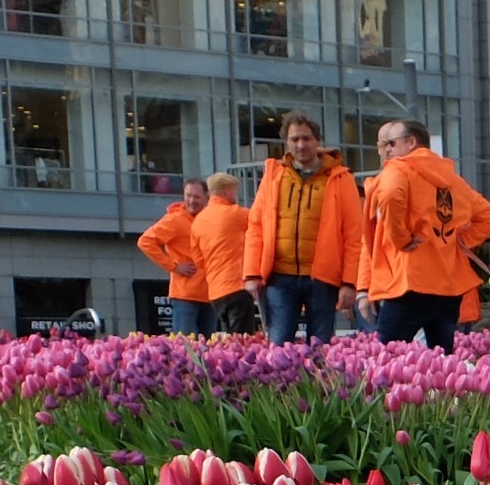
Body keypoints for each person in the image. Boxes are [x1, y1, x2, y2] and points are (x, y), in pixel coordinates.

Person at [356, 118, 490, 350]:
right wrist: (459, 241)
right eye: (381, 146)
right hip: (448, 288)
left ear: (411, 142)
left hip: (409, 283)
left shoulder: (398, 169)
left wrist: (401, 240)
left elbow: (388, 202)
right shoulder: (454, 181)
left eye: (390, 143)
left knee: (389, 358)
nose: (385, 152)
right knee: (440, 360)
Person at [242, 113, 364, 343]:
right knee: (279, 345)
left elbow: (353, 234)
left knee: (319, 348)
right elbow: (256, 225)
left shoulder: (340, 179)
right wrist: (252, 273)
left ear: (317, 140)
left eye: (306, 139)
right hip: (279, 276)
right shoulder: (274, 176)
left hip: (323, 279)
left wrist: (350, 283)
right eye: (295, 139)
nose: (301, 145)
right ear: (286, 142)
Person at [139, 180, 211, 333]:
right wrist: (173, 266)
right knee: (185, 349)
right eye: (188, 196)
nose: (192, 201)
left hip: (211, 294)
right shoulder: (175, 220)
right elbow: (145, 241)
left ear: (207, 197)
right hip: (186, 295)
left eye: (196, 197)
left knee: (209, 350)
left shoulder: (210, 219)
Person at [192, 173, 256, 334]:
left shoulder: (198, 221)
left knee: (230, 342)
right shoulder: (236, 213)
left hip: (215, 292)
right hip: (237, 286)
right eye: (235, 191)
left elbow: (198, 260)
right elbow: (262, 224)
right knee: (243, 342)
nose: (236, 195)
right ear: (226, 191)